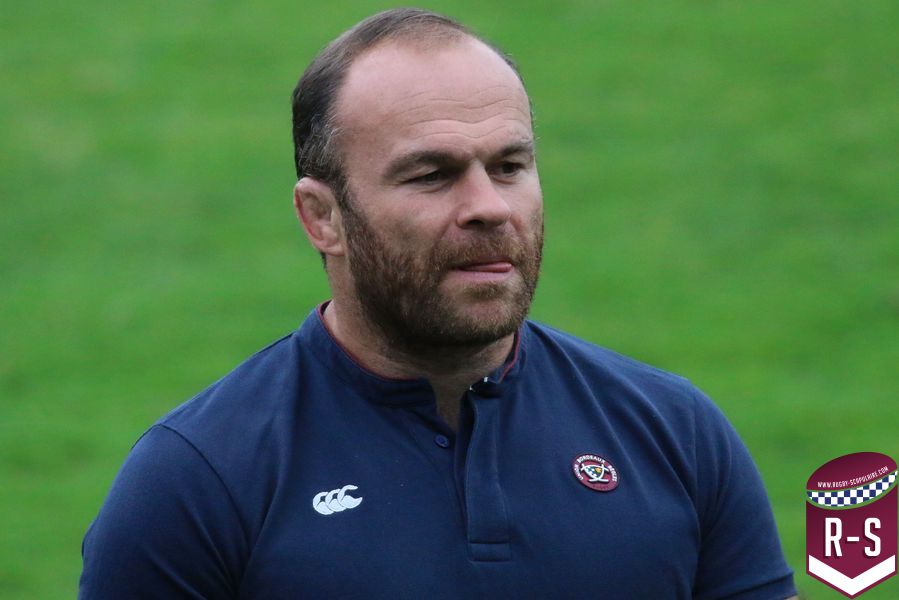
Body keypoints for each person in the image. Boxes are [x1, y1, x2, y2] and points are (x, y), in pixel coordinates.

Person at [80, 8, 797, 599]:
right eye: (431, 175)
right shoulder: (198, 480)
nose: (489, 207)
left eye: (509, 166)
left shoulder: (674, 435)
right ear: (322, 217)